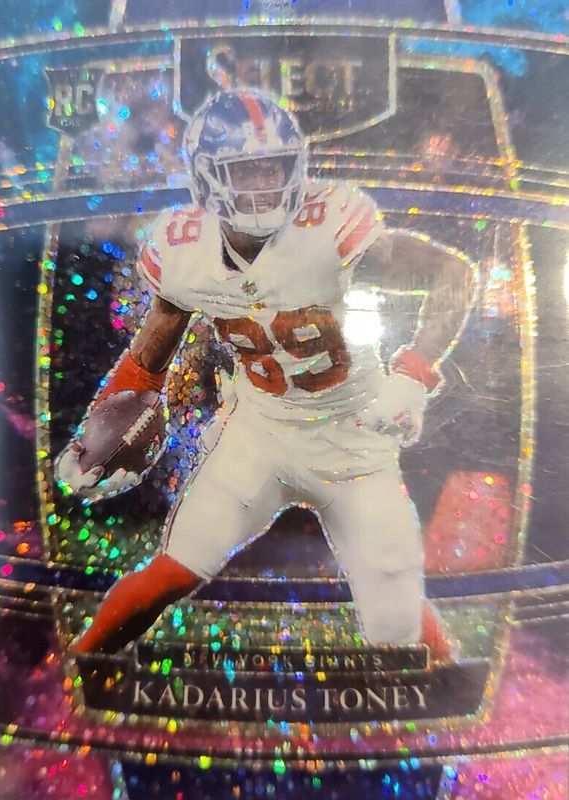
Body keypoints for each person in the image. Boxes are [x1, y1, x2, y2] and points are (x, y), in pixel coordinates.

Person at [57, 89, 474, 662]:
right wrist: (93, 436)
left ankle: (448, 684)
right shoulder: (183, 251)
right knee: (173, 570)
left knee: (395, 612)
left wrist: (414, 372)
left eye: (274, 167)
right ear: (207, 177)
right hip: (260, 433)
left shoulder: (329, 224)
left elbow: (453, 275)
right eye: (245, 170)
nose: (264, 184)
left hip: (353, 435)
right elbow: (148, 361)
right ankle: (81, 663)